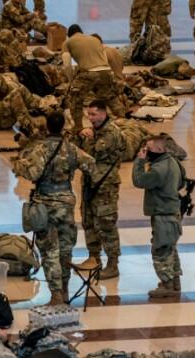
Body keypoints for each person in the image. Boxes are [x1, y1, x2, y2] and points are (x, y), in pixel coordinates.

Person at [13, 111, 94, 305]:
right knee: (66, 249)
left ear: (47, 127)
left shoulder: (40, 149)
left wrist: (18, 165)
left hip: (45, 204)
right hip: (66, 203)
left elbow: (33, 173)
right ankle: (65, 289)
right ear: (63, 126)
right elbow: (90, 165)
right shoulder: (72, 148)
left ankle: (56, 294)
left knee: (50, 251)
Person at [132, 134, 186, 300]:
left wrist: (139, 162)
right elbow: (182, 182)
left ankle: (167, 284)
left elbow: (139, 181)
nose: (146, 152)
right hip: (173, 211)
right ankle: (175, 281)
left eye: (148, 149)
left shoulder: (158, 169)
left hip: (163, 213)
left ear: (160, 149)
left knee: (161, 249)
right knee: (170, 248)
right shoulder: (174, 162)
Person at [75, 100, 124, 280]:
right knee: (88, 220)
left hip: (105, 186)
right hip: (90, 182)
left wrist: (86, 139)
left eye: (94, 115)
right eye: (89, 115)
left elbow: (90, 155)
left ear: (103, 114)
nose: (91, 118)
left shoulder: (111, 133)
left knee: (106, 224)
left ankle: (113, 264)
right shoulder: (94, 131)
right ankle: (93, 258)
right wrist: (81, 134)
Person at [62, 24, 122, 122]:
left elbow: (67, 64)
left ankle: (78, 128)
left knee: (75, 100)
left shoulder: (68, 42)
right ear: (81, 32)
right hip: (105, 71)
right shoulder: (95, 39)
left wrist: (71, 80)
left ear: (69, 35)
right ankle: (124, 121)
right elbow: (104, 57)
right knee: (111, 98)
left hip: (89, 72)